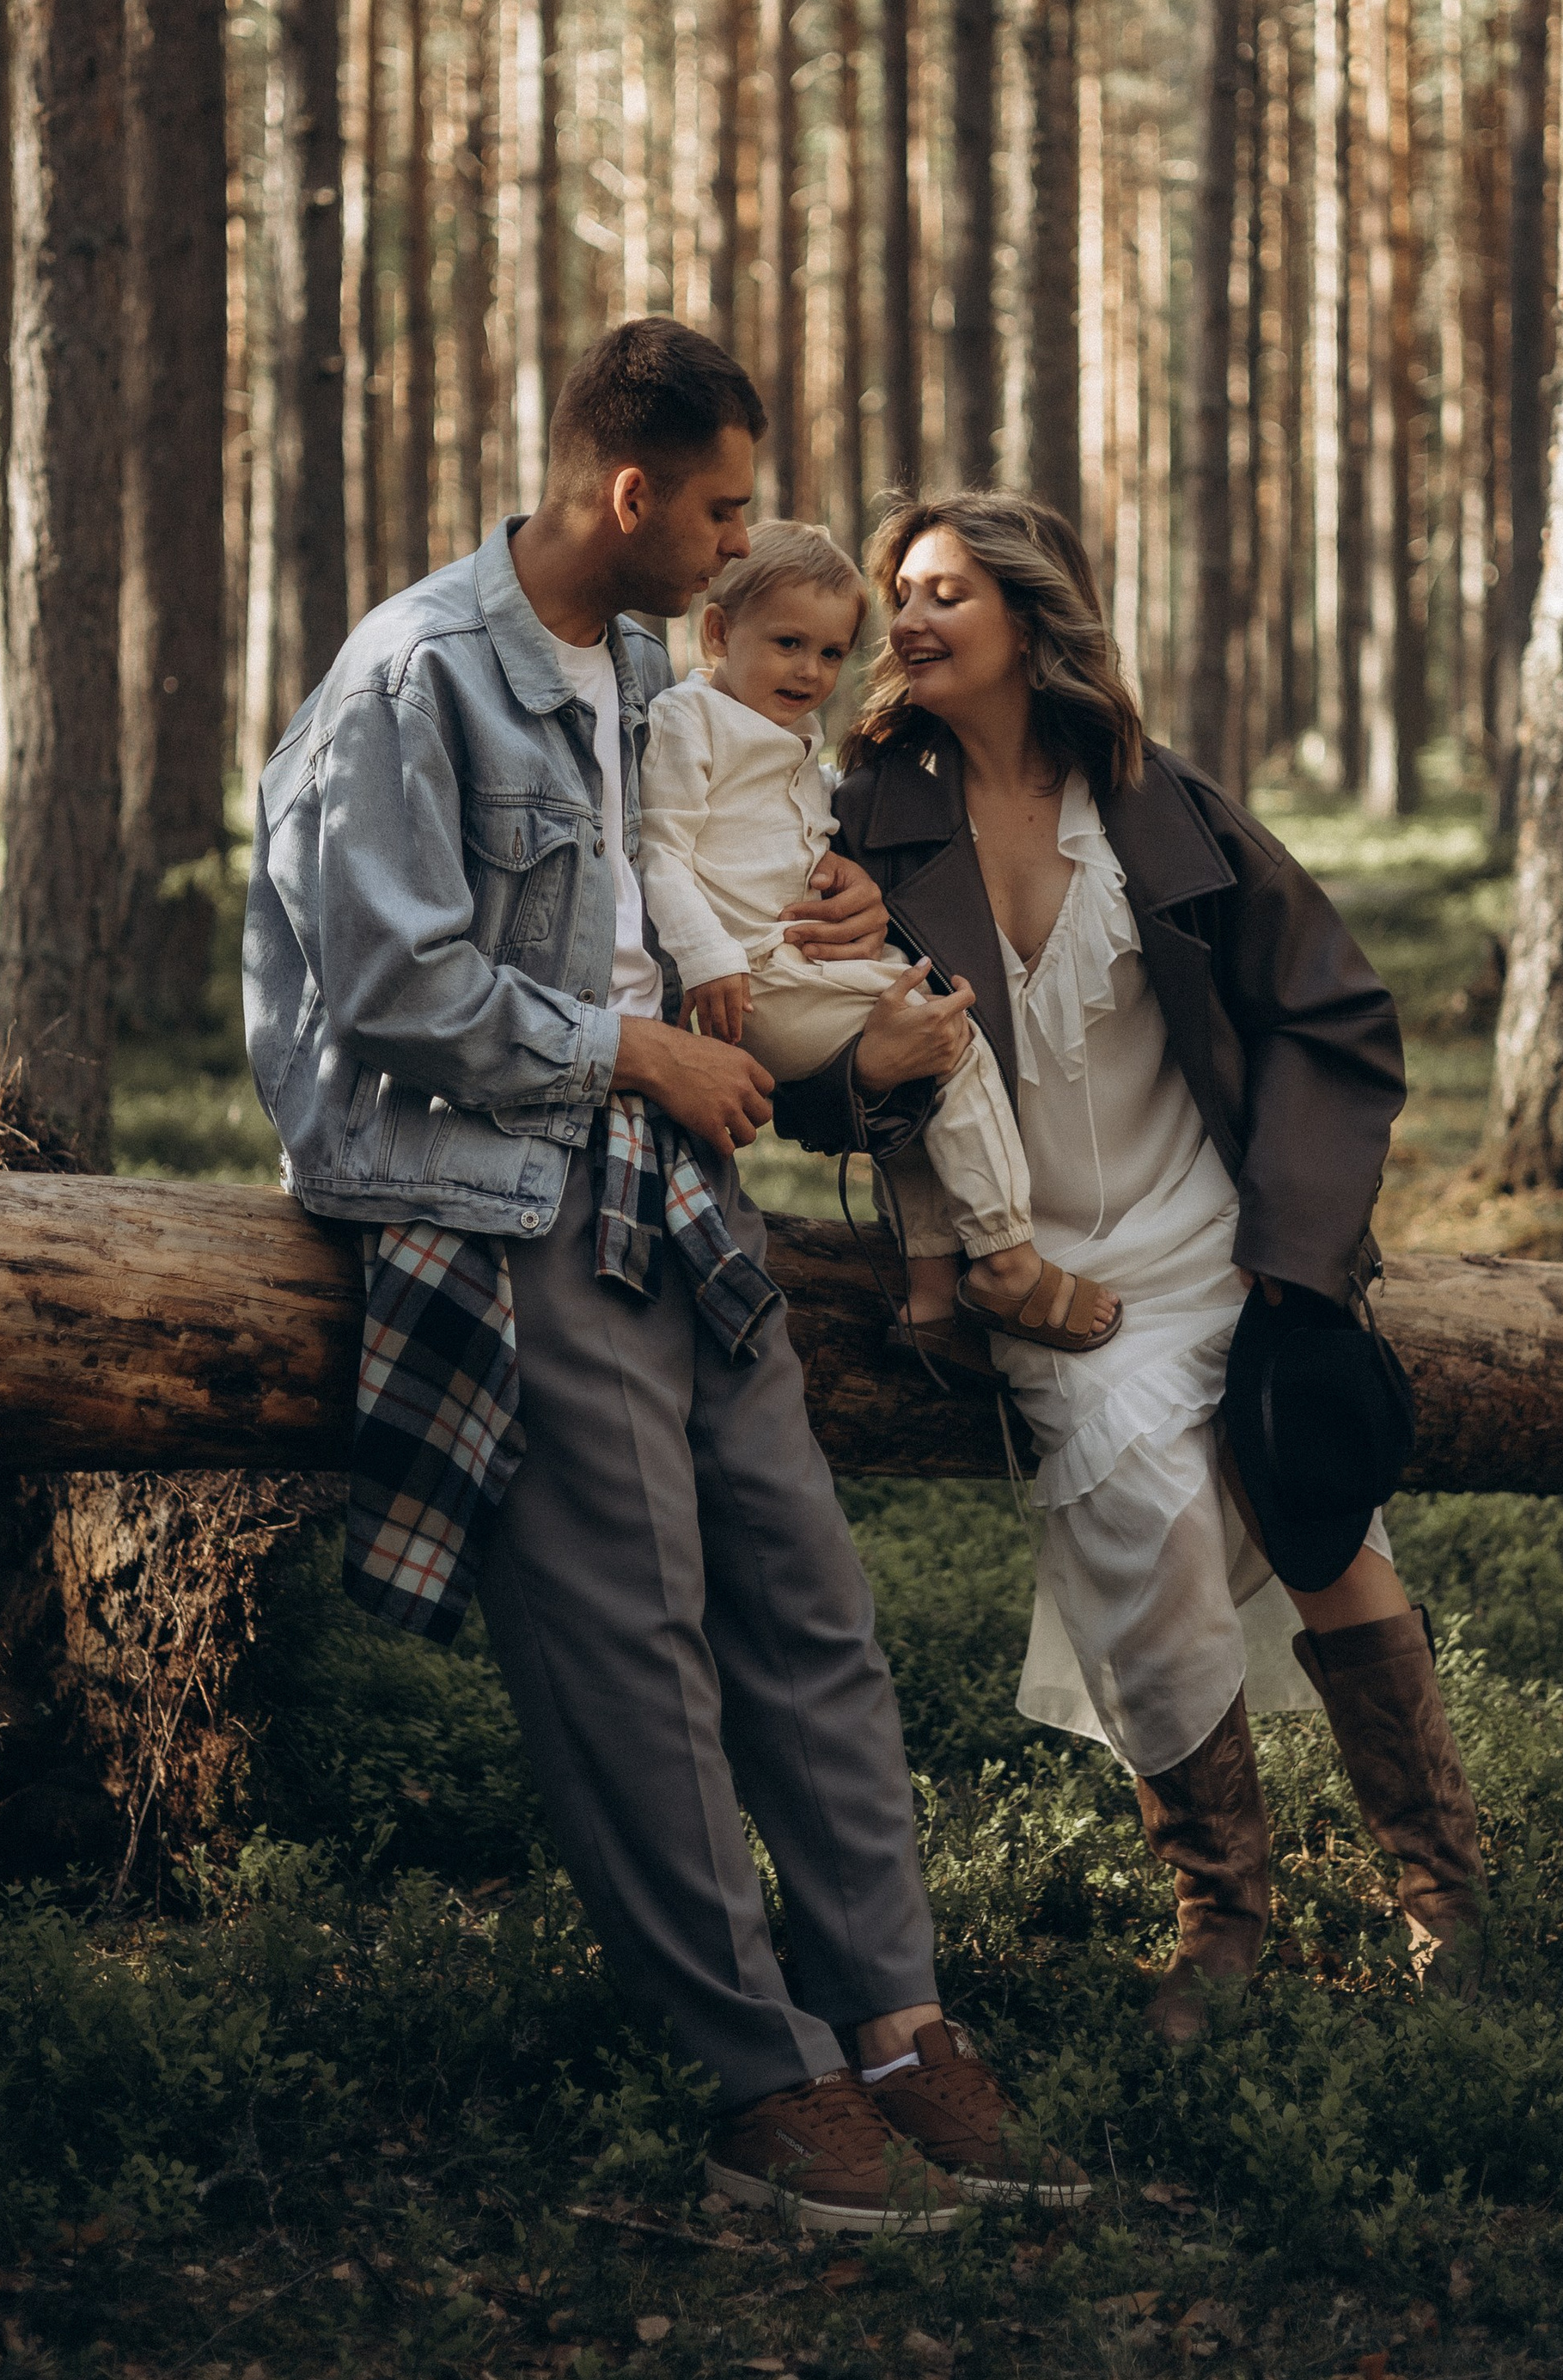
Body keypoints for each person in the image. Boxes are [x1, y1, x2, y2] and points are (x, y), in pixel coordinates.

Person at [244, 321, 1089, 2225]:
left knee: (805, 1598)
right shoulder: (416, 677)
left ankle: (892, 2022)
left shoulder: (651, 672)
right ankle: (757, 2076)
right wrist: (631, 1052)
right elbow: (386, 989)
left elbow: (705, 876)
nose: (739, 545)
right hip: (495, 1189)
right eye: (716, 510)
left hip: (670, 1177)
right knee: (629, 1638)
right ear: (628, 496)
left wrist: (825, 918)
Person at [771, 490, 1487, 2045]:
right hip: (1033, 1266)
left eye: (944, 591)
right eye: (900, 592)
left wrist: (1298, 1256)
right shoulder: (857, 816)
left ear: (1032, 619)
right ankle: (1224, 1923)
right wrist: (872, 1067)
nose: (905, 619)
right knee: (1148, 1533)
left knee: (1327, 1525)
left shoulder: (1161, 805)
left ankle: (1448, 1903)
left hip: (1216, 1237)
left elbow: (1335, 1012)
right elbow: (798, 1060)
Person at [637, 517, 1120, 1356]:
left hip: (783, 966)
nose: (809, 671)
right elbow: (658, 850)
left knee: (918, 1078)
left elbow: (795, 815)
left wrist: (844, 867)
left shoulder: (788, 736)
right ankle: (1007, 1259)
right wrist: (709, 958)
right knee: (950, 1037)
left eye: (830, 653)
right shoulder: (690, 720)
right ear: (718, 630)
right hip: (752, 977)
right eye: (787, 642)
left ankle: (930, 1299)